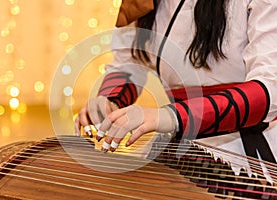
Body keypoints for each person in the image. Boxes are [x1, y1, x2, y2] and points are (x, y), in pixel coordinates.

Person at [75, 0, 277, 168]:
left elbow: (270, 87)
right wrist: (110, 100)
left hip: (249, 143)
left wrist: (171, 115)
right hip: (179, 140)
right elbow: (130, 62)